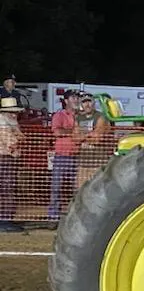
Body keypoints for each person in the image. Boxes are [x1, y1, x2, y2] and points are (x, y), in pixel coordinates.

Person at [48, 90, 81, 221]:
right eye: (73, 97)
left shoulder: (81, 116)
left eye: (77, 97)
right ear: (66, 101)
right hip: (62, 155)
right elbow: (56, 132)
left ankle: (76, 215)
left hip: (78, 155)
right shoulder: (59, 115)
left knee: (78, 187)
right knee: (56, 187)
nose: (76, 100)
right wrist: (73, 131)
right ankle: (53, 216)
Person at [0, 96, 24, 232]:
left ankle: (6, 218)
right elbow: (13, 143)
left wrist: (18, 136)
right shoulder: (3, 124)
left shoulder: (10, 123)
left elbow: (20, 137)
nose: (15, 114)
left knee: (7, 188)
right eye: (12, 112)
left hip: (7, 158)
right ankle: (5, 219)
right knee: (7, 189)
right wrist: (18, 137)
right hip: (4, 158)